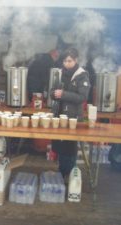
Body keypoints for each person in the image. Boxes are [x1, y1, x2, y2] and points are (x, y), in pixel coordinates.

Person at [51, 47, 91, 178]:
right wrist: (54, 94)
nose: (66, 64)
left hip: (73, 117)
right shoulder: (61, 73)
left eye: (69, 61)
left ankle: (70, 174)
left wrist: (63, 94)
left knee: (70, 147)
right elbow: (52, 90)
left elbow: (82, 97)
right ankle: (62, 173)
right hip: (60, 115)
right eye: (64, 61)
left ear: (76, 60)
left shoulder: (82, 75)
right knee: (61, 146)